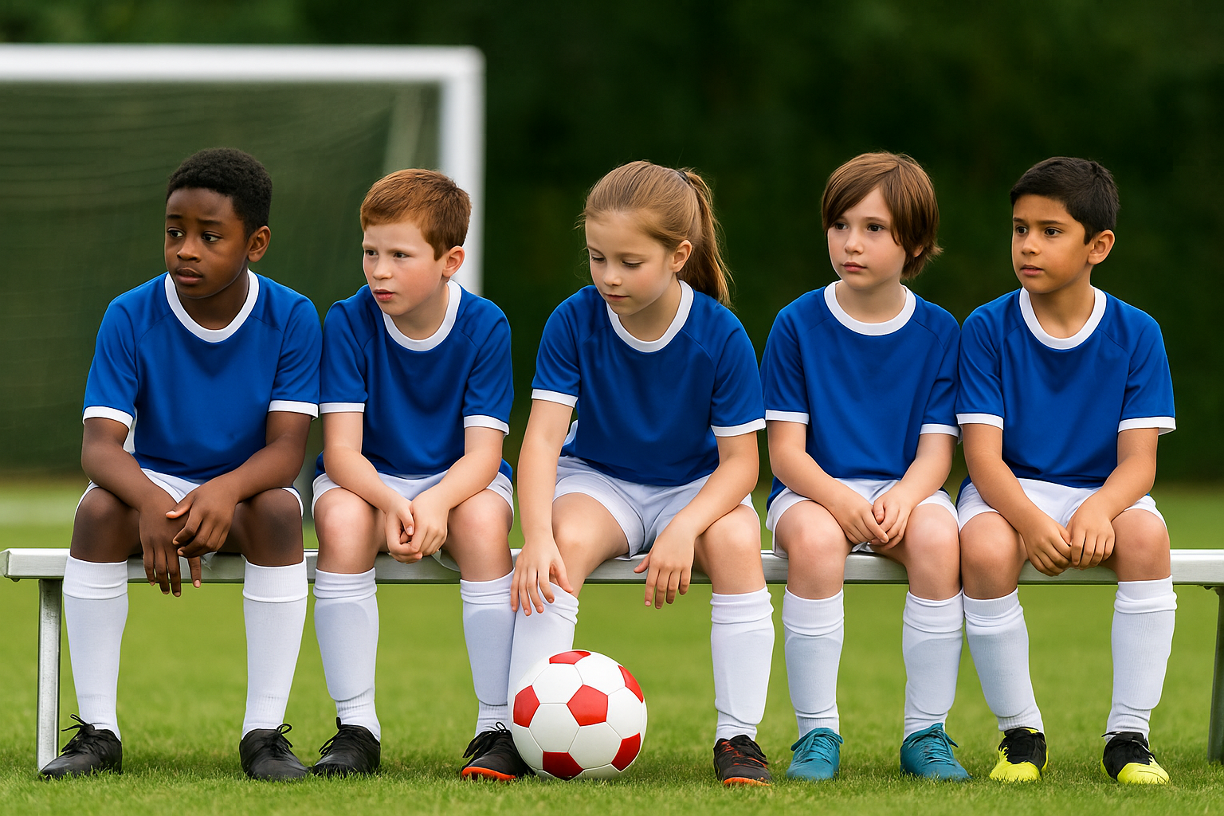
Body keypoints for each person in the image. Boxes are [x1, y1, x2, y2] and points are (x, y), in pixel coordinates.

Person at [42, 148, 322, 781]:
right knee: (96, 509)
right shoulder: (130, 313)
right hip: (160, 477)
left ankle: (264, 733)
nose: (186, 249)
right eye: (175, 233)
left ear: (257, 243)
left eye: (209, 236)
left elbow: (286, 452)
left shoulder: (293, 316)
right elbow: (99, 447)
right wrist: (147, 501)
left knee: (281, 510)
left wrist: (223, 492)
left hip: (248, 483)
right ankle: (97, 732)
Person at [510, 160, 775, 786]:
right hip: (602, 481)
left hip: (695, 489)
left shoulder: (720, 334)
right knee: (563, 544)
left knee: (736, 540)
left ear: (679, 254)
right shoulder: (573, 320)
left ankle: (738, 738)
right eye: (597, 258)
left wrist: (684, 527)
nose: (608, 276)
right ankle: (522, 731)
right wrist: (538, 535)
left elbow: (742, 465)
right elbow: (543, 439)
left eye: (629, 262)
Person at [958, 157, 1176, 784]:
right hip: (1010, 490)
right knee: (985, 546)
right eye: (1020, 228)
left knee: (1147, 538)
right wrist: (1027, 520)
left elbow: (1139, 465)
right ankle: (1020, 735)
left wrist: (1097, 510)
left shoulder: (1138, 333)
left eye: (1051, 231)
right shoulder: (986, 327)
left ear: (1097, 246)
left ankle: (1129, 737)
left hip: (1102, 493)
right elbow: (982, 458)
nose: (1027, 244)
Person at [309, 169, 524, 780]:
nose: (379, 270)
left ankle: (496, 723)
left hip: (459, 481)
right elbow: (343, 453)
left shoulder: (486, 326)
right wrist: (390, 501)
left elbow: (484, 456)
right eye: (370, 253)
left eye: (399, 255)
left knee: (484, 524)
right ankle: (356, 727)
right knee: (343, 524)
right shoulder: (348, 321)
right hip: (366, 480)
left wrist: (433, 503)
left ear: (450, 259)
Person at [760, 153, 967, 782]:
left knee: (938, 538)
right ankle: (816, 733)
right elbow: (786, 453)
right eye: (841, 224)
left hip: (905, 489)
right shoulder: (797, 324)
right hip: (810, 490)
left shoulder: (939, 331)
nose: (852, 243)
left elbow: (937, 453)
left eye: (874, 228)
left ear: (916, 242)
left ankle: (925, 733)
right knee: (818, 545)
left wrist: (904, 499)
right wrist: (841, 503)